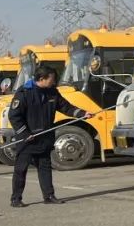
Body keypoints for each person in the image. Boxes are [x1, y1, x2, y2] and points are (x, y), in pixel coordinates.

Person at [8, 65, 91, 207]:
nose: (54, 82)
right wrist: (25, 133)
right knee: (21, 169)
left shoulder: (52, 92)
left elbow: (66, 107)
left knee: (45, 167)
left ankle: (49, 196)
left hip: (45, 137)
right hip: (27, 139)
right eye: (52, 79)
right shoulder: (24, 93)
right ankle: (16, 199)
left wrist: (82, 114)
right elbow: (14, 116)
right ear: (42, 78)